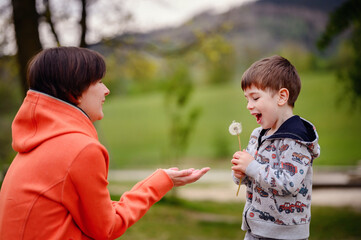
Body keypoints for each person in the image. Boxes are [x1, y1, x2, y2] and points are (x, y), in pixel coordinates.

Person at [0, 46, 210, 239]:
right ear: (74, 91)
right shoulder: (80, 149)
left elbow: (92, 214)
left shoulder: (36, 144)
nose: (106, 90)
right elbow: (106, 227)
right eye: (99, 82)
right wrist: (159, 182)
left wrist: (163, 179)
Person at [231, 55, 320, 240]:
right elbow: (254, 178)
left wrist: (252, 167)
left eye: (255, 98)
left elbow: (289, 184)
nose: (249, 106)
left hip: (285, 234)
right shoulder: (258, 135)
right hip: (255, 229)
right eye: (246, 99)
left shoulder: (296, 140)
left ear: (281, 97)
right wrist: (241, 173)